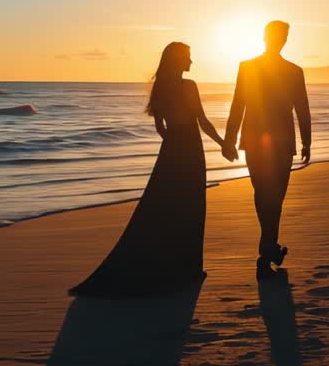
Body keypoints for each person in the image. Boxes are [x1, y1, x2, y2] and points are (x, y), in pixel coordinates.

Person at [70, 42, 227, 296]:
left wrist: (173, 148)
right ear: (178, 60)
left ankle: (171, 264)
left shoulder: (161, 87)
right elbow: (202, 121)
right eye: (188, 57)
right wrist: (223, 144)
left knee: (161, 206)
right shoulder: (189, 86)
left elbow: (161, 127)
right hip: (190, 147)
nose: (191, 62)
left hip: (172, 148)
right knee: (192, 205)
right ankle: (189, 268)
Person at [222, 21, 311, 279]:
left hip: (269, 141)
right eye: (280, 36)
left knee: (268, 195)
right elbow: (238, 104)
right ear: (272, 38)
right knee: (268, 195)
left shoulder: (268, 69)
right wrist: (229, 139)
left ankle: (269, 247)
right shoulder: (288, 70)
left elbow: (301, 109)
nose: (281, 40)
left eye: (283, 36)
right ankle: (268, 248)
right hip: (270, 141)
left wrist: (307, 140)